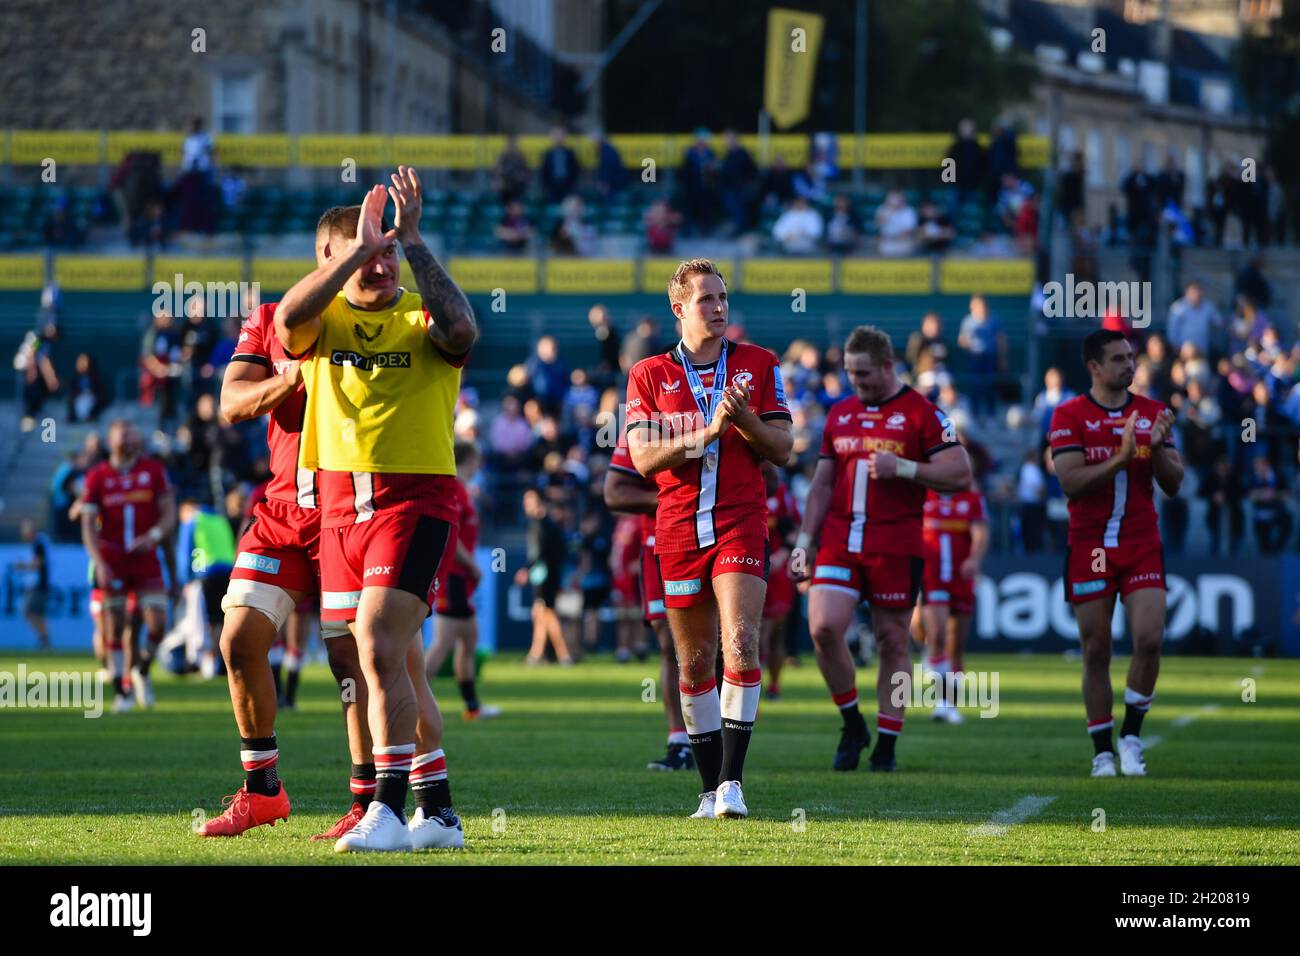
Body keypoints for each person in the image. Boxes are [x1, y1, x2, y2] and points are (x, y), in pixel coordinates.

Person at [276, 171, 477, 852]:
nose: (382, 260)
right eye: (368, 248)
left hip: (413, 499)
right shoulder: (322, 319)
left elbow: (461, 331)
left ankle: (386, 810)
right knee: (390, 665)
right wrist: (353, 257)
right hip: (337, 507)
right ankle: (439, 813)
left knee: (378, 645)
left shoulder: (419, 311)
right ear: (330, 259)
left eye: (388, 250)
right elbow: (285, 322)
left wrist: (413, 242)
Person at [625, 258, 794, 818]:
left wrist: (743, 419)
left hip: (740, 520)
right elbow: (644, 458)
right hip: (675, 529)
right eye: (706, 299)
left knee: (742, 641)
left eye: (723, 298)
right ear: (679, 308)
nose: (719, 307)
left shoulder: (760, 363)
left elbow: (783, 447)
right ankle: (706, 790)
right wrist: (707, 432)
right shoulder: (648, 373)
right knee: (694, 664)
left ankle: (731, 784)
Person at [791, 327, 971, 773]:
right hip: (839, 540)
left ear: (889, 366)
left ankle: (887, 742)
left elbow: (959, 471)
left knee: (894, 639)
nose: (857, 382)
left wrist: (906, 467)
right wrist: (803, 541)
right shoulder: (840, 414)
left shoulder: (922, 413)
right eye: (851, 373)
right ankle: (853, 722)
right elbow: (823, 484)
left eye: (865, 373)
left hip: (895, 543)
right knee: (824, 628)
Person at [1048, 329, 1183, 777]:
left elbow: (1174, 484)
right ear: (1094, 367)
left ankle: (1131, 737)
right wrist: (1122, 457)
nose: (1130, 365)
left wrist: (1157, 449)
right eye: (1119, 358)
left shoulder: (1155, 413)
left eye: (1132, 357)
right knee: (1096, 649)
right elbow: (1070, 482)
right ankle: (1101, 750)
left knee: (1149, 638)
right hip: (1090, 546)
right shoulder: (1067, 415)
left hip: (1141, 541)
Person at [605, 429, 693, 772]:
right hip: (658, 545)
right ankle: (679, 742)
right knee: (671, 645)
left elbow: (771, 478)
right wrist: (673, 499)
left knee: (716, 644)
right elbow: (613, 493)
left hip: (715, 538)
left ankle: (716, 739)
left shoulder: (712, 410)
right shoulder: (642, 428)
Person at [80, 420, 176, 712]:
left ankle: (142, 669)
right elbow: (87, 526)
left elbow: (169, 512)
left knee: (157, 624)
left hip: (146, 559)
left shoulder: (153, 471)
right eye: (124, 434)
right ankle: (122, 693)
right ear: (111, 440)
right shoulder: (97, 476)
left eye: (133, 433)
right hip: (113, 561)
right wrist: (99, 562)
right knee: (115, 627)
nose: (129, 439)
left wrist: (154, 536)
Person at [425, 441, 499, 720]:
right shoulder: (454, 488)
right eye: (476, 461)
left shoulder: (463, 490)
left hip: (460, 577)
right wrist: (472, 566)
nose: (479, 466)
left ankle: (472, 707)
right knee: (444, 642)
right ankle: (414, 699)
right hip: (453, 575)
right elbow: (451, 535)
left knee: (468, 639)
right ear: (467, 460)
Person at [914, 486, 988, 723]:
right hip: (931, 575)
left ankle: (949, 704)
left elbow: (980, 532)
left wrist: (974, 559)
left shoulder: (972, 499)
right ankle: (940, 700)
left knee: (955, 645)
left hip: (960, 577)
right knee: (935, 635)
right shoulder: (923, 495)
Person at [517, 488, 573, 665]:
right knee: (540, 613)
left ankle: (564, 655)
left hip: (543, 575)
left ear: (539, 501)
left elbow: (538, 553)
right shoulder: (550, 524)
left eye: (529, 500)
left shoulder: (539, 524)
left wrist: (526, 569)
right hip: (549, 574)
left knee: (546, 613)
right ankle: (536, 654)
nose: (526, 504)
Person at [760, 462, 800, 700]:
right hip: (748, 567)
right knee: (756, 634)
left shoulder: (781, 494)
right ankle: (751, 685)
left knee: (775, 633)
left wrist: (781, 556)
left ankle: (774, 684)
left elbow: (792, 531)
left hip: (777, 574)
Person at [15, 520, 52, 651]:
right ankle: (44, 640)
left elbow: (38, 564)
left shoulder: (38, 544)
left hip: (38, 585)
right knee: (38, 614)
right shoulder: (37, 543)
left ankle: (44, 639)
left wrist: (22, 565)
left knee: (28, 611)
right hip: (39, 585)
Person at [539, 127, 579, 204]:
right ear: (552, 137)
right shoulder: (547, 154)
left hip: (567, 187)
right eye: (556, 135)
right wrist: (545, 187)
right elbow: (543, 172)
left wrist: (572, 184)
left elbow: (576, 170)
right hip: (552, 188)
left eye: (561, 135)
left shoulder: (570, 153)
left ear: (564, 137)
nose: (558, 138)